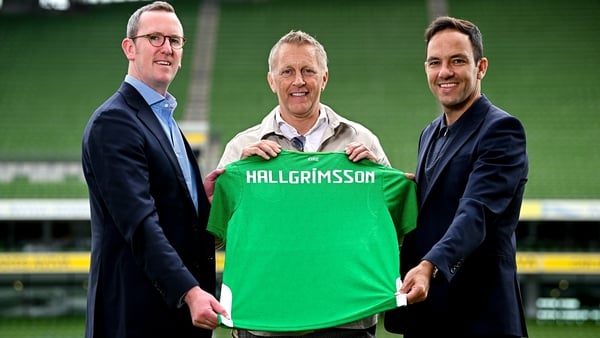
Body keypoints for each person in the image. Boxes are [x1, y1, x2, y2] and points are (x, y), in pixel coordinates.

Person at [210, 30, 403, 338]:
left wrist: (375, 178)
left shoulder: (362, 141)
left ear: (323, 78)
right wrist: (237, 177)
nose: (298, 81)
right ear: (272, 80)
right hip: (267, 321)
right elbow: (216, 238)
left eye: (308, 71)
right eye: (287, 71)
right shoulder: (241, 148)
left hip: (346, 320)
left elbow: (392, 230)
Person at [81, 2, 227, 338]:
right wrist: (190, 292)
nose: (168, 48)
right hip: (134, 318)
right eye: (156, 38)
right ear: (129, 48)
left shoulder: (167, 123)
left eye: (176, 41)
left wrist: (198, 200)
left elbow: (171, 212)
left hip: (173, 319)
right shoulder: (114, 122)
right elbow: (140, 223)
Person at [383, 16, 529, 337]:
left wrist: (429, 266)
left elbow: (475, 213)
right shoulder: (429, 133)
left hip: (482, 316)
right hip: (430, 315)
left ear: (481, 67)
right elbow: (431, 210)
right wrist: (378, 176)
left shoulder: (502, 130)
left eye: (457, 61)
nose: (444, 72)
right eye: (435, 62)